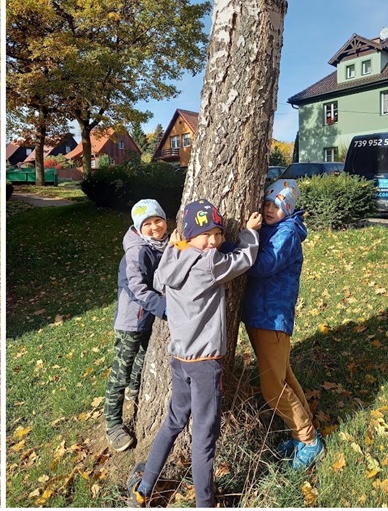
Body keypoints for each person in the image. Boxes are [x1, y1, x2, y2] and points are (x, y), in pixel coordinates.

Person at [128, 199, 261, 508]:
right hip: (204, 364)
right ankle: (205, 503)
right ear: (190, 235)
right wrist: (250, 233)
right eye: (206, 235)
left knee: (174, 419)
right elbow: (243, 260)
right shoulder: (210, 264)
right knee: (203, 439)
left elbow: (159, 281)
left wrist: (175, 248)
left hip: (179, 358)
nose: (213, 241)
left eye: (217, 233)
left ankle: (145, 485)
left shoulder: (171, 262)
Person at [243, 179, 325, 470]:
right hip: (260, 315)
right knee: (284, 377)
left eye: (276, 206)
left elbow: (262, 265)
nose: (268, 210)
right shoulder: (274, 228)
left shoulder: (287, 232)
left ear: (288, 209)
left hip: (272, 319)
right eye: (266, 203)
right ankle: (302, 434)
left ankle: (309, 439)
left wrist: (244, 239)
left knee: (272, 387)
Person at [104, 199, 168, 452]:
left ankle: (135, 389)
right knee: (121, 371)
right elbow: (137, 288)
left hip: (147, 317)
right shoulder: (137, 251)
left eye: (158, 220)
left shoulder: (160, 244)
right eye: (148, 224)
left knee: (144, 357)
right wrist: (164, 307)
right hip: (131, 320)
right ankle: (112, 424)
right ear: (138, 228)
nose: (155, 227)